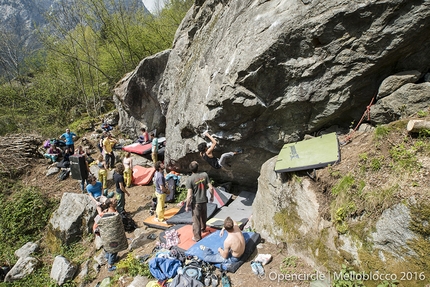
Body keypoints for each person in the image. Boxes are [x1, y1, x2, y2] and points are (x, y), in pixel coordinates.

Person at [185, 161, 215, 241]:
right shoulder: (204, 175)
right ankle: (203, 228)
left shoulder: (190, 179)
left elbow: (190, 195)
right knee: (203, 216)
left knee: (196, 220)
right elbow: (211, 188)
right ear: (198, 167)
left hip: (196, 202)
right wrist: (212, 197)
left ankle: (197, 237)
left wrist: (187, 205)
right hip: (204, 200)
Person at [93, 198, 119, 272]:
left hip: (102, 232)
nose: (116, 200)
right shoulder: (108, 214)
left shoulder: (108, 211)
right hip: (104, 232)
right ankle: (110, 266)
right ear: (110, 205)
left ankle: (108, 257)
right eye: (114, 201)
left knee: (107, 245)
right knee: (113, 247)